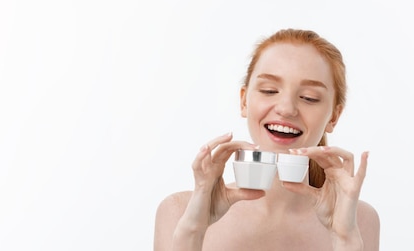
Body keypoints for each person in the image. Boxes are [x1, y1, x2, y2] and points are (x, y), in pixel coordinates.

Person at [153, 28, 380, 251]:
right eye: (270, 90)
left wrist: (344, 239)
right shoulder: (179, 212)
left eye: (309, 98)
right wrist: (193, 230)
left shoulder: (360, 222)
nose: (286, 108)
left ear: (334, 116)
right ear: (244, 102)